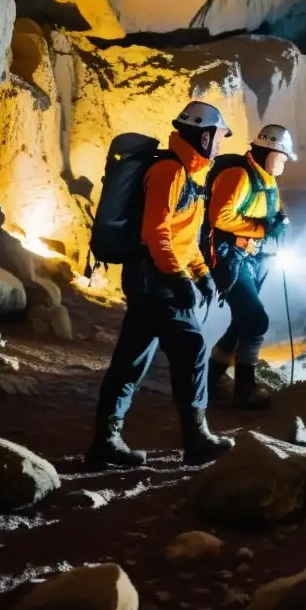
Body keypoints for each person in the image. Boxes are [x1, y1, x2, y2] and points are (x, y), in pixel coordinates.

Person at [86, 102, 235, 468]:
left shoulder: (189, 175)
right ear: (204, 135)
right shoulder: (169, 171)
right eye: (217, 137)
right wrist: (180, 278)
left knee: (131, 359)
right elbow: (156, 232)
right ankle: (196, 438)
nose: (218, 145)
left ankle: (105, 441)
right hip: (155, 281)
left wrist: (201, 274)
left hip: (155, 279)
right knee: (192, 347)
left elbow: (184, 239)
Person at [206, 124, 295, 409]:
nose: (283, 164)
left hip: (253, 258)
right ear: (269, 152)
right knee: (256, 320)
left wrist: (279, 225)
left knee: (242, 321)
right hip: (231, 257)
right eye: (282, 157)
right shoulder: (239, 175)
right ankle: (245, 388)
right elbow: (220, 216)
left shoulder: (265, 179)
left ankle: (211, 378)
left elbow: (270, 216)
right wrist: (260, 229)